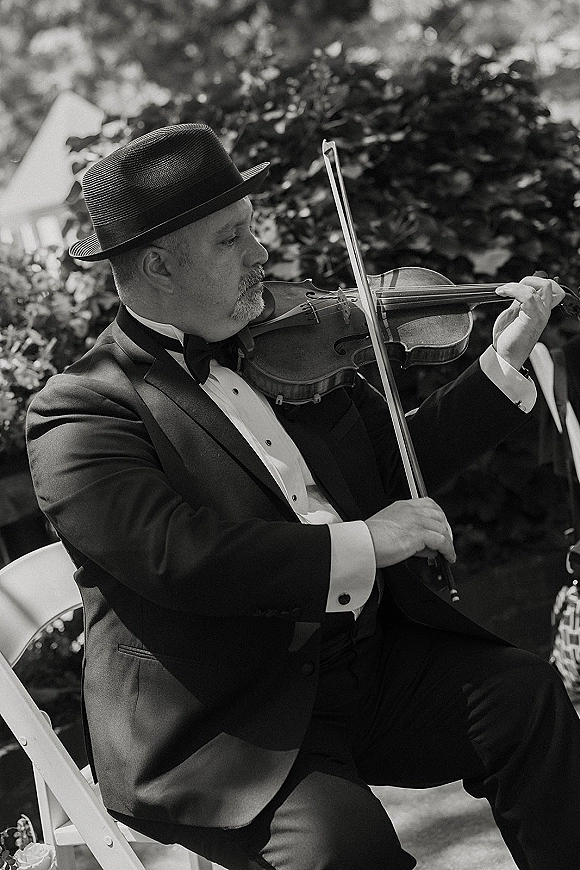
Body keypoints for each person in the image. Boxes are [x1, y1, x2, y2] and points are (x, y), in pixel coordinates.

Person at [26, 123, 580, 870]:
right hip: (230, 717)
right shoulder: (82, 409)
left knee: (527, 699)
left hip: (365, 666)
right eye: (231, 240)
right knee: (346, 851)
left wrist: (500, 364)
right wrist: (368, 542)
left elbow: (392, 464)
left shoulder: (281, 346)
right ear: (157, 264)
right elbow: (178, 555)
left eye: (252, 230)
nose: (260, 255)